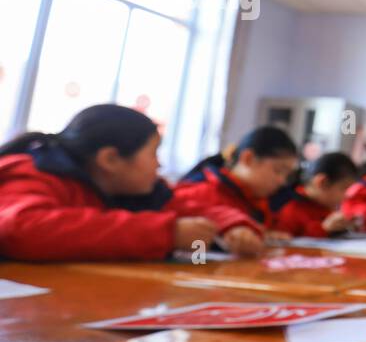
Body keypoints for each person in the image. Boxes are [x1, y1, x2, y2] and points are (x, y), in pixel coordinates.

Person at [0, 104, 257, 261]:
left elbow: (190, 205)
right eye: (153, 153)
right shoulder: (35, 172)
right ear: (110, 159)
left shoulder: (132, 189)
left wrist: (232, 225)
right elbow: (21, 229)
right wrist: (165, 233)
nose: (159, 165)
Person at [175, 125, 300, 255]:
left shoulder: (257, 201)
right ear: (248, 158)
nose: (282, 181)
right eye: (278, 170)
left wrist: (266, 235)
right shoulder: (202, 190)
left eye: (287, 175)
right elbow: (196, 251)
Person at [275, 152, 361, 238]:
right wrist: (323, 229)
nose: (348, 195)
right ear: (322, 182)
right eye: (344, 188)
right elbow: (284, 243)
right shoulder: (290, 209)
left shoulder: (324, 206)